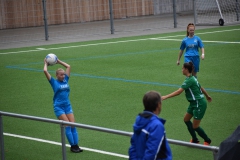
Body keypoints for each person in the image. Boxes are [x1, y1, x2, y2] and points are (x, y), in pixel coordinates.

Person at [162, 62, 212, 145]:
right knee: (186, 120)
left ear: (186, 69)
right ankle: (195, 139)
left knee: (195, 126)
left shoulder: (189, 80)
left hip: (199, 104)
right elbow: (201, 87)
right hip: (193, 103)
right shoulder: (192, 78)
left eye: (182, 68)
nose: (181, 70)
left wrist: (165, 97)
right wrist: (207, 96)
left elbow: (179, 92)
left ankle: (207, 140)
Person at [43, 58, 83, 153]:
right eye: (61, 75)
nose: (63, 76)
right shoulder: (53, 82)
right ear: (57, 75)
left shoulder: (66, 80)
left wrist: (59, 61)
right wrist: (46, 63)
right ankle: (73, 146)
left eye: (64, 74)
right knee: (68, 125)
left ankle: (76, 145)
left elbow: (68, 66)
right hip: (58, 107)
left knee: (73, 125)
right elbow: (45, 71)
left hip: (67, 105)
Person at [129, 91, 172, 160]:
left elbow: (133, 146)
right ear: (158, 105)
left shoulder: (139, 120)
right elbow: (152, 152)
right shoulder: (157, 126)